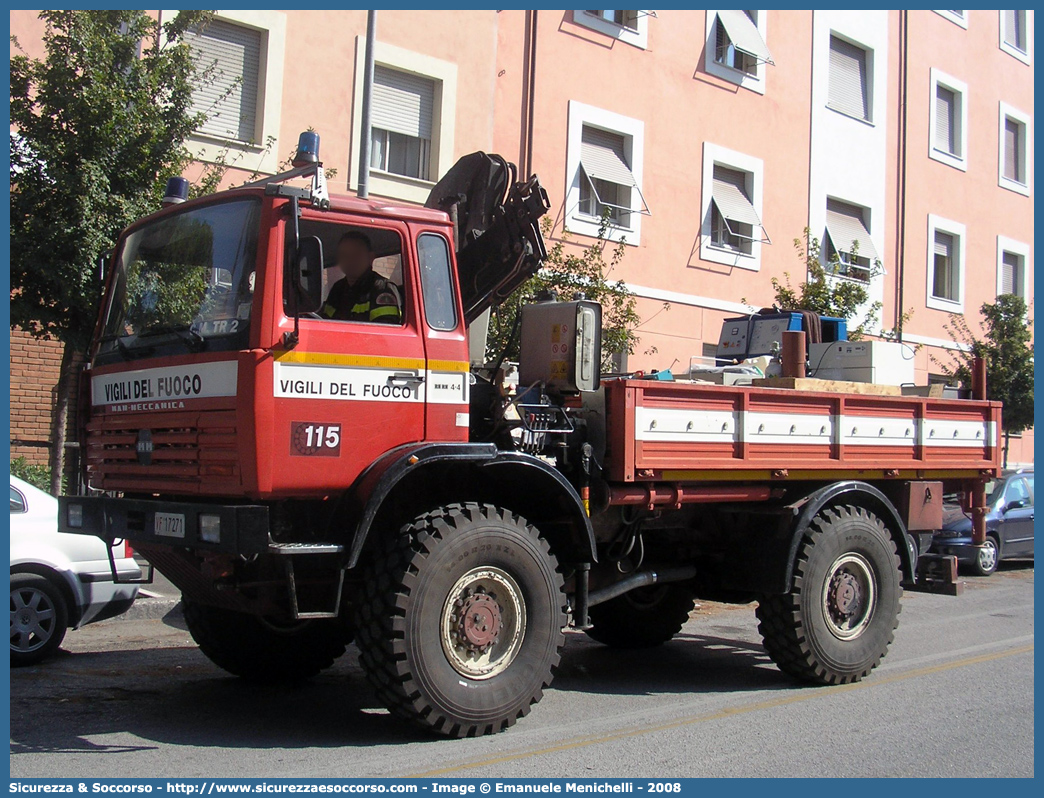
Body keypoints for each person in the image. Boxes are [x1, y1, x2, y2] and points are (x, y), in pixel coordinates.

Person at [320, 231, 402, 323]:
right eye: (344, 255)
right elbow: (323, 321)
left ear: (370, 258)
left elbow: (386, 333)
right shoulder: (338, 289)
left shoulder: (382, 288)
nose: (349, 260)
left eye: (356, 254)